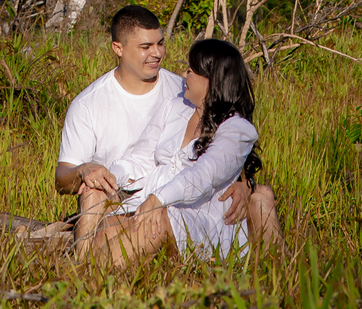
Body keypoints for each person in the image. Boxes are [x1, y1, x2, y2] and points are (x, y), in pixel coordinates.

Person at [55, 5, 250, 242]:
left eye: (160, 43)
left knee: (263, 196)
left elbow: (222, 149)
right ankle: (81, 264)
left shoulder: (183, 90)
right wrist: (86, 171)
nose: (157, 53)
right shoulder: (88, 104)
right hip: (120, 191)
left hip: (175, 194)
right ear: (118, 48)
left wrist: (245, 182)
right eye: (145, 47)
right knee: (93, 191)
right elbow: (63, 179)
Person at [86, 37, 282, 266]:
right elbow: (142, 157)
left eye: (191, 70)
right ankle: (92, 278)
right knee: (109, 227)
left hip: (203, 218)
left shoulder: (237, 129)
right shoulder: (175, 106)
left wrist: (158, 199)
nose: (184, 74)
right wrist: (110, 175)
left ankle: (93, 284)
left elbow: (204, 175)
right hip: (154, 202)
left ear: (212, 80)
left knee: (157, 222)